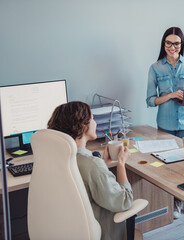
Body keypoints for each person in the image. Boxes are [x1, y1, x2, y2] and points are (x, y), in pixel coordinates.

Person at [47, 101, 133, 240]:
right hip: (99, 231)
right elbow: (124, 201)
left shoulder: (57, 157)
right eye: (93, 118)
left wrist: (103, 164)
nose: (96, 123)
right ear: (83, 126)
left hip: (69, 229)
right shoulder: (92, 165)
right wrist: (121, 164)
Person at [146, 26, 184, 218]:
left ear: (181, 44)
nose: (172, 47)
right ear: (164, 44)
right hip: (166, 123)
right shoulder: (155, 68)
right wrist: (170, 95)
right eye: (168, 43)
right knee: (169, 164)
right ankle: (173, 203)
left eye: (176, 43)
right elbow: (150, 100)